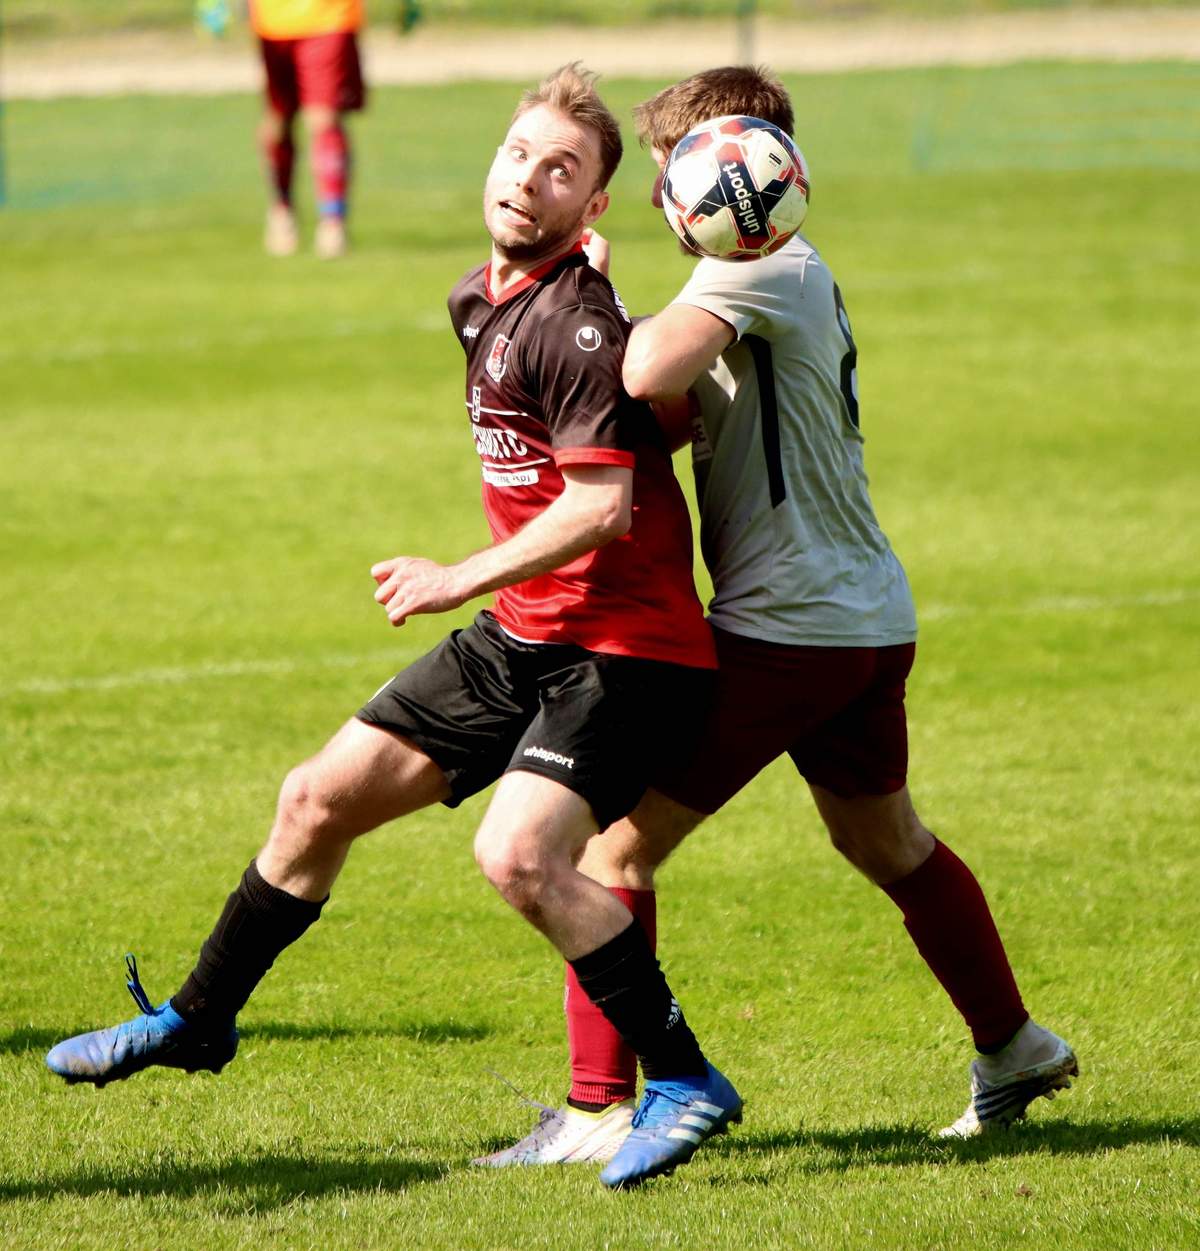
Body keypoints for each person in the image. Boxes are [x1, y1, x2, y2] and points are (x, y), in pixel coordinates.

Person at [45, 65, 743, 1192]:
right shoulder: (481, 296)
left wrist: (455, 574)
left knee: (518, 855)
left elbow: (601, 506)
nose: (529, 178)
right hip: (523, 636)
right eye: (518, 154)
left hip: (625, 654)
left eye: (561, 169)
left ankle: (682, 1078)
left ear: (593, 206)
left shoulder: (571, 325)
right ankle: (199, 1018)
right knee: (314, 797)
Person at [475, 65, 1078, 1168]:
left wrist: (597, 306)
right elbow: (647, 415)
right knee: (881, 837)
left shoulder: (764, 264)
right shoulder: (757, 275)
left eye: (675, 172)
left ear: (736, 175)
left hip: (791, 626)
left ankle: (603, 1103)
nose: (665, 193)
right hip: (858, 615)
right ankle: (1017, 1046)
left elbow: (645, 363)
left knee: (609, 852)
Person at [250, 0, 367, 259]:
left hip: (330, 16)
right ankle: (282, 208)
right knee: (279, 120)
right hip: (273, 22)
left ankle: (332, 222)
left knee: (323, 118)